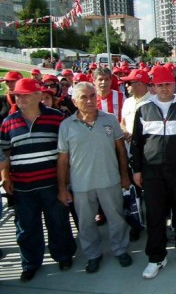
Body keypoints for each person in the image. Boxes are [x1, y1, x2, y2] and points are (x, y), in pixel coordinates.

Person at [0, 78, 76, 282]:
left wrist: (65, 184)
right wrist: (6, 177)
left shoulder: (56, 118)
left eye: (25, 95)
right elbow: (5, 152)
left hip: (52, 184)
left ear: (38, 96)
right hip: (23, 186)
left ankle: (63, 256)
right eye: (17, 95)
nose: (20, 99)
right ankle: (30, 263)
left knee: (58, 222)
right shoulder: (8, 122)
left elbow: (66, 153)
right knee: (27, 227)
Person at [57, 82, 132, 274]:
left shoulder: (110, 120)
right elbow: (63, 159)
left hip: (110, 180)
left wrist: (125, 176)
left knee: (116, 218)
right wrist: (63, 188)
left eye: (92, 96)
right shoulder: (66, 126)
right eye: (84, 97)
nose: (89, 100)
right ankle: (93, 255)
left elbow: (121, 150)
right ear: (74, 101)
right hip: (81, 184)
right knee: (86, 223)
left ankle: (120, 249)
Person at [130, 67, 176, 279]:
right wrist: (136, 170)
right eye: (160, 85)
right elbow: (136, 143)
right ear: (153, 87)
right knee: (155, 214)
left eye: (168, 84)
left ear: (174, 85)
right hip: (152, 170)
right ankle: (156, 257)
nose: (165, 88)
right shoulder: (144, 109)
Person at [120, 69, 154, 241]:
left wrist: (137, 137)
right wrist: (125, 131)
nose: (126, 86)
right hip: (129, 153)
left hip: (146, 156)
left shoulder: (153, 102)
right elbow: (122, 122)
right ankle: (136, 223)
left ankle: (152, 223)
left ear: (140, 84)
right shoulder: (127, 102)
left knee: (150, 193)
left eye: (129, 83)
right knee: (133, 192)